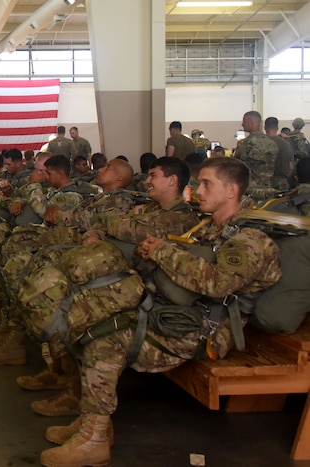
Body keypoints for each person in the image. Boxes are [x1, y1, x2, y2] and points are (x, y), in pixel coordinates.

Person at [39, 157, 281, 467]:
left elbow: (219, 283)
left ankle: (95, 440)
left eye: (207, 184)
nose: (198, 190)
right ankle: (91, 420)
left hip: (203, 329)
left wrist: (162, 251)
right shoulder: (208, 226)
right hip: (176, 310)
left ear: (232, 190)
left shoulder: (249, 240)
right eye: (198, 182)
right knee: (86, 318)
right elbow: (185, 257)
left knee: (104, 341)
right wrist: (154, 250)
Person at [233, 111, 279, 190]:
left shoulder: (245, 143)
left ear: (250, 122)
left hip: (250, 189)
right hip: (268, 188)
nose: (242, 124)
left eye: (244, 121)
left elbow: (236, 165)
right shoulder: (272, 143)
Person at [264, 116, 292, 191]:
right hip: (281, 183)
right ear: (277, 128)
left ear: (265, 128)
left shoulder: (261, 143)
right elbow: (290, 166)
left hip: (263, 184)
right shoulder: (286, 144)